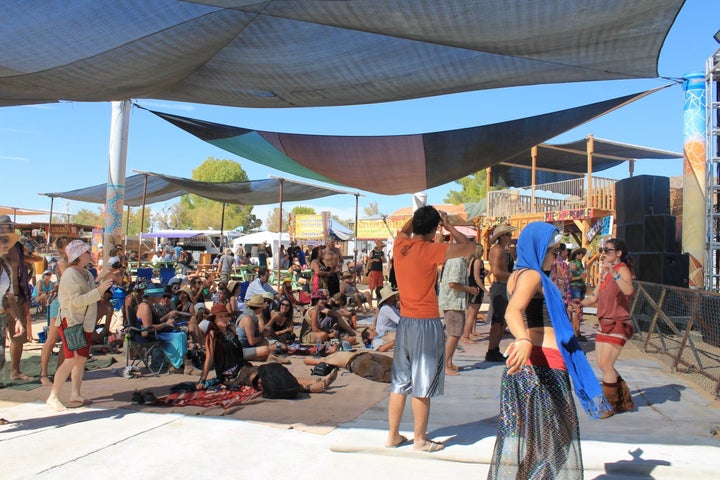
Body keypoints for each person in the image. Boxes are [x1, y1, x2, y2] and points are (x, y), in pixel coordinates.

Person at [487, 222, 609, 479]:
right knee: (556, 442)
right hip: (545, 365)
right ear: (538, 248)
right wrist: (523, 339)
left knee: (537, 442)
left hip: (534, 364)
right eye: (552, 251)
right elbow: (512, 311)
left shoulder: (517, 275)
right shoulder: (531, 275)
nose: (555, 257)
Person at [386, 206, 473, 452]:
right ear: (435, 229)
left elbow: (403, 231)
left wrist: (416, 221)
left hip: (405, 322)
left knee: (400, 382)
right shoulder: (430, 250)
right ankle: (420, 439)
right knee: (422, 383)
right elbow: (468, 247)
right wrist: (449, 226)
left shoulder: (400, 245)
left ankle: (392, 435)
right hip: (426, 321)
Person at [196, 309, 336, 394]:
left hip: (243, 366)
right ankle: (307, 388)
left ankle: (315, 380)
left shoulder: (231, 330)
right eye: (220, 316)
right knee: (262, 380)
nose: (225, 319)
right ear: (214, 319)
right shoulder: (213, 334)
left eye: (226, 316)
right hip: (229, 374)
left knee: (274, 370)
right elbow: (209, 358)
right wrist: (202, 380)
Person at [46, 240, 113, 411]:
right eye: (86, 252)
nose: (90, 254)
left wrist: (101, 281)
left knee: (81, 359)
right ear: (77, 256)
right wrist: (99, 291)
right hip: (72, 321)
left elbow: (88, 293)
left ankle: (75, 393)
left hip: (84, 322)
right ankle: (53, 396)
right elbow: (76, 301)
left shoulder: (87, 274)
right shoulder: (70, 275)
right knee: (71, 359)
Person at [577, 239, 635, 418]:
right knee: (604, 365)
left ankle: (608, 406)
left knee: (606, 365)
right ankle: (622, 399)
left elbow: (628, 291)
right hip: (604, 322)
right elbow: (595, 296)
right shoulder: (605, 272)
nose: (603, 253)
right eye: (602, 250)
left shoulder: (622, 269)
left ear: (618, 253)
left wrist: (614, 274)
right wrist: (579, 303)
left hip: (618, 323)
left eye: (608, 250)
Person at [0, 215, 32, 380]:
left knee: (18, 336)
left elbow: (22, 275)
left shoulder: (18, 247)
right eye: (7, 226)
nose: (10, 228)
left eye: (11, 226)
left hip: (16, 297)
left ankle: (15, 370)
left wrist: (26, 298)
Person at [438, 250, 477, 376]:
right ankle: (443, 365)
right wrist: (469, 289)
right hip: (453, 302)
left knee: (456, 333)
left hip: (454, 302)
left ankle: (448, 362)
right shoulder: (457, 261)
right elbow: (453, 284)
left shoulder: (457, 260)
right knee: (453, 334)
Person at [40, 236, 71, 386]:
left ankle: (60, 371)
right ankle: (43, 373)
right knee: (52, 339)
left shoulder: (71, 262)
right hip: (60, 303)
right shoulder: (62, 263)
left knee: (67, 340)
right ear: (61, 249)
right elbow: (70, 279)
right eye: (67, 246)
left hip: (69, 303)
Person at [485, 223, 518, 362]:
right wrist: (515, 276)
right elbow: (497, 272)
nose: (511, 237)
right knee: (497, 321)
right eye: (509, 234)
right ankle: (491, 350)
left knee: (503, 321)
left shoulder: (504, 250)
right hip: (500, 286)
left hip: (504, 286)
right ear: (502, 236)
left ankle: (495, 349)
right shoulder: (497, 250)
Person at [0, 228, 25, 387]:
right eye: (3, 242)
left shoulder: (6, 268)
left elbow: (8, 297)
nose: (6, 245)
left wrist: (17, 318)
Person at [463, 244, 487, 343]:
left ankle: (472, 331)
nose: (483, 253)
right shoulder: (477, 261)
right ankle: (466, 336)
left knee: (473, 312)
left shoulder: (470, 261)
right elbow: (476, 278)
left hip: (472, 287)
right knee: (472, 314)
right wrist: (485, 289)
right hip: (476, 288)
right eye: (482, 251)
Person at [235, 294, 271, 361]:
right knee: (265, 350)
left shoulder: (251, 316)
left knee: (265, 342)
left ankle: (257, 358)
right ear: (260, 308)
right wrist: (262, 335)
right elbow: (252, 341)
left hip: (246, 346)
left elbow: (258, 332)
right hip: (241, 349)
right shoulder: (248, 319)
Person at [366, 240, 386, 307]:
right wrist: (374, 260)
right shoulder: (373, 252)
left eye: (382, 247)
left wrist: (382, 259)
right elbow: (368, 260)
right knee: (372, 282)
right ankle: (371, 295)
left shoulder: (382, 253)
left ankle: (378, 295)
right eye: (381, 247)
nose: (382, 248)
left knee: (379, 283)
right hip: (374, 269)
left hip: (380, 270)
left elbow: (384, 261)